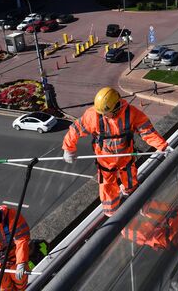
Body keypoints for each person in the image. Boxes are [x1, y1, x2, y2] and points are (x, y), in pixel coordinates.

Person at [62, 86, 170, 216]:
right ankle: (111, 212)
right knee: (107, 186)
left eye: (106, 113)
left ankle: (134, 200)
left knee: (130, 181)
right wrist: (68, 149)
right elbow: (75, 130)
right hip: (105, 161)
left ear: (117, 106)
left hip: (126, 159)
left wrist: (163, 147)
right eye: (102, 114)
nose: (104, 116)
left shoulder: (132, 114)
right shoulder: (94, 115)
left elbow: (147, 132)